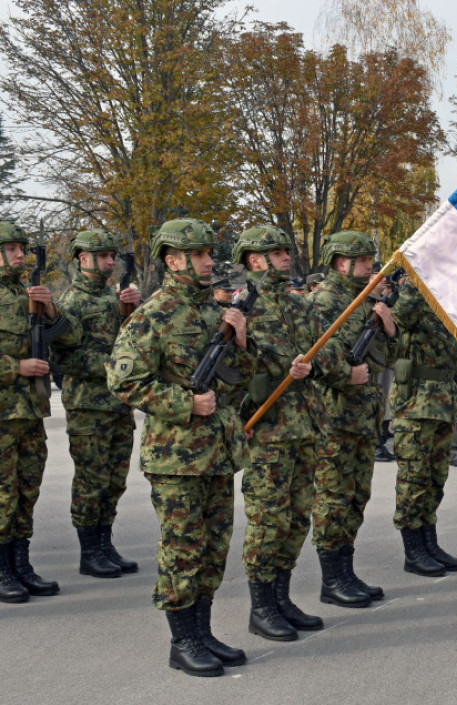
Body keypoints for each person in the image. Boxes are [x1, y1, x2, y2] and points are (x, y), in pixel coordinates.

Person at [108, 218, 255, 677]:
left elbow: (240, 377)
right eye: (199, 255)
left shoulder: (215, 312)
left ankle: (204, 631)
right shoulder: (152, 315)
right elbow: (122, 379)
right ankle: (183, 641)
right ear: (172, 260)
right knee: (183, 550)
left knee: (213, 548)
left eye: (210, 254)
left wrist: (243, 339)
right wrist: (183, 401)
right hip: (176, 458)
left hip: (217, 452)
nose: (209, 262)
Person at [234, 224, 335, 641]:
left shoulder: (299, 306)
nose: (286, 256)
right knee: (267, 519)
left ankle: (281, 597)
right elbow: (230, 368)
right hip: (267, 430)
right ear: (255, 260)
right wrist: (272, 368)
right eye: (276, 252)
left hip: (304, 425)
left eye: (285, 250)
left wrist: (313, 366)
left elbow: (327, 351)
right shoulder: (242, 308)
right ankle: (261, 608)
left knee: (296, 518)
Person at [309, 231, 399, 606]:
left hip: (363, 416)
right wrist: (343, 373)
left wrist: (389, 328)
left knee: (356, 497)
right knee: (332, 498)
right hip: (333, 418)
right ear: (340, 262)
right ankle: (332, 580)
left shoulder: (365, 302)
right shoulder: (320, 303)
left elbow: (387, 357)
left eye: (369, 260)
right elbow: (308, 355)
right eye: (362, 261)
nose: (369, 267)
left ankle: (346, 572)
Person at [0, 220, 80, 603]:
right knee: (1, 496)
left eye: (21, 248)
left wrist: (49, 308)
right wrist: (14, 368)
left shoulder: (27, 293)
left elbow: (71, 336)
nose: (19, 255)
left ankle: (21, 565)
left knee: (26, 492)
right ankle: (2, 570)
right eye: (12, 248)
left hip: (29, 412)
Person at [52, 230, 140, 579]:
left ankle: (105, 543)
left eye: (111, 256)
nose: (110, 262)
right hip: (89, 407)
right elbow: (64, 359)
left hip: (118, 405)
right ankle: (89, 551)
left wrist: (130, 308)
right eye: (102, 256)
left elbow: (130, 342)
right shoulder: (70, 303)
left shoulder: (112, 298)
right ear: (82, 259)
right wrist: (113, 368)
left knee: (115, 480)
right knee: (91, 480)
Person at [390, 276, 457, 576]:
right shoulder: (412, 299)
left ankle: (429, 541)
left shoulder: (445, 303)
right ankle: (413, 550)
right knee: (414, 478)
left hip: (443, 401)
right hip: (416, 404)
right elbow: (400, 317)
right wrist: (415, 282)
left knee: (436, 477)